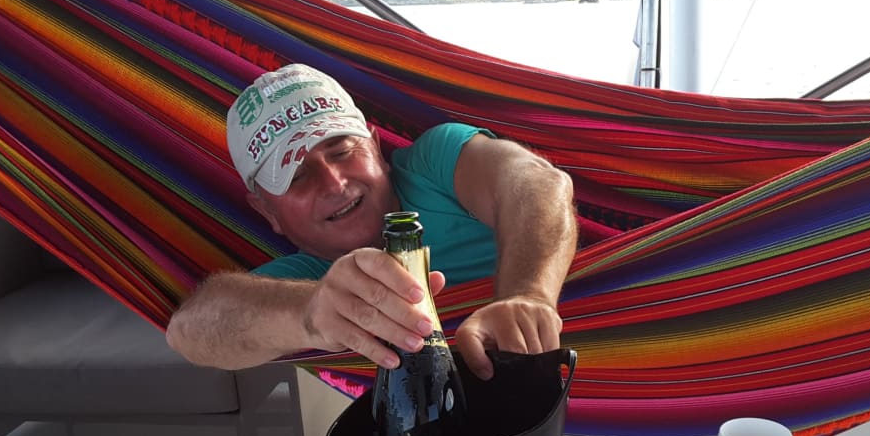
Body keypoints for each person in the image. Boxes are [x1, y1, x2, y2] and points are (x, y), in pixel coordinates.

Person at [166, 64, 577, 381]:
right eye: (297, 177)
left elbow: (535, 183)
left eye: (342, 150)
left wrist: (528, 296)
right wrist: (310, 314)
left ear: (376, 147)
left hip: (608, 357)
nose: (335, 182)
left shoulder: (434, 163)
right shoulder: (312, 279)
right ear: (267, 212)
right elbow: (190, 330)